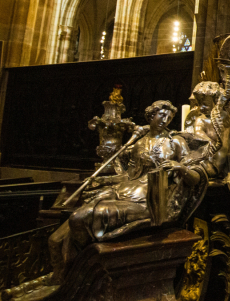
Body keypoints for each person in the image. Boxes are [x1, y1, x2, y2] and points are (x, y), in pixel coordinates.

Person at [47, 101, 207, 286]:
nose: (166, 119)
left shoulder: (175, 142)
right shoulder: (139, 143)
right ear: (151, 116)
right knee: (61, 233)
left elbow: (196, 177)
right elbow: (128, 176)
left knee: (80, 217)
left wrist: (180, 167)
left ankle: (75, 274)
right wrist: (102, 180)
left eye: (169, 117)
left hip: (147, 200)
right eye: (161, 115)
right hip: (123, 191)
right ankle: (65, 273)